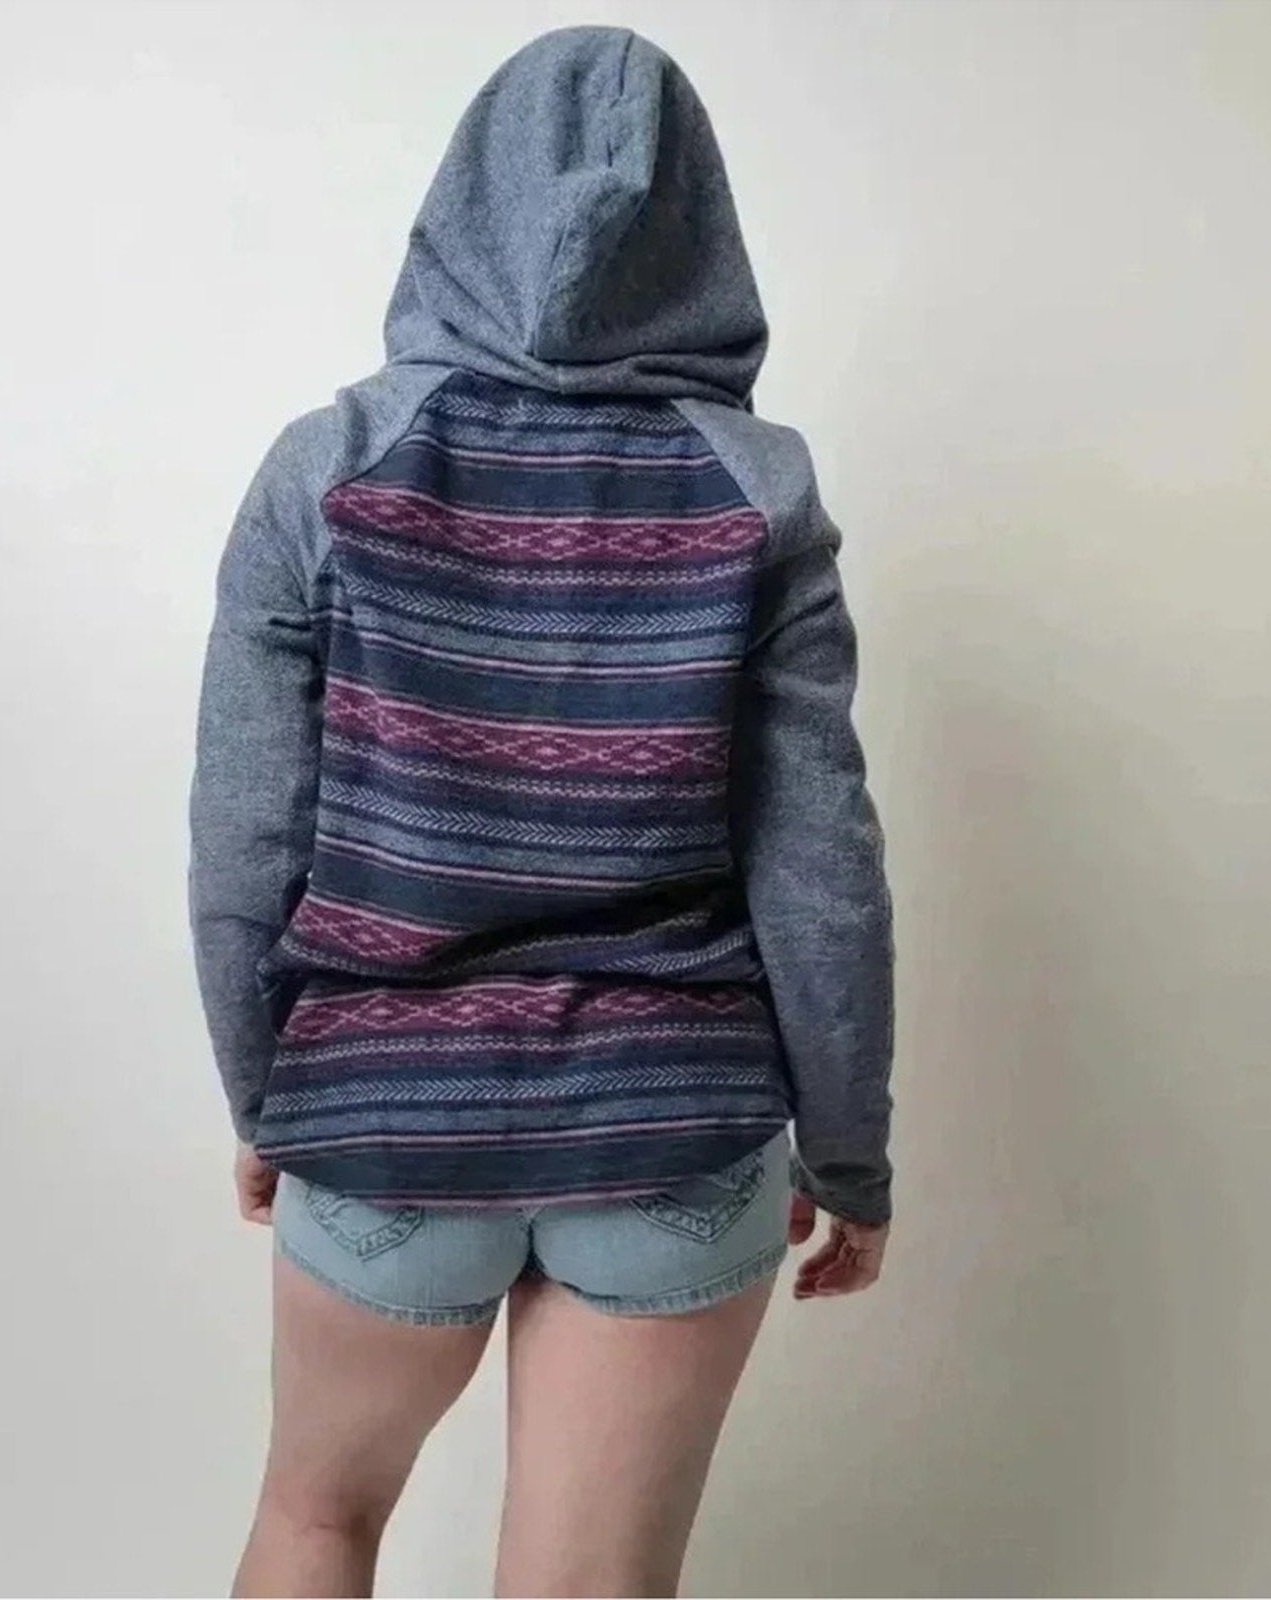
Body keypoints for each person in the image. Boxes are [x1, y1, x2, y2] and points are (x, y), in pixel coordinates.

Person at [187, 23, 894, 1598]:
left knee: (316, 1520)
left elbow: (242, 838)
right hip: (672, 1126)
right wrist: (851, 1155)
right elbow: (821, 868)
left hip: (384, 1118)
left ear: (461, 210)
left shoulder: (327, 467)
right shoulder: (760, 491)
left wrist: (266, 1094)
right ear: (702, 242)